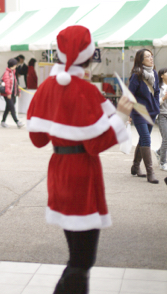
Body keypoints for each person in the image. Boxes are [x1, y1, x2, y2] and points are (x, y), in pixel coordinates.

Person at [27, 25, 133, 294]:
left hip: (58, 171)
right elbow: (95, 143)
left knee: (77, 254)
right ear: (89, 55)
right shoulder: (87, 91)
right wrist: (120, 116)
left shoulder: (47, 87)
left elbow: (38, 140)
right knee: (83, 258)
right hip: (82, 175)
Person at [128, 49, 160, 184]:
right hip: (139, 112)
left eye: (151, 56)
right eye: (147, 57)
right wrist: (129, 114)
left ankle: (135, 167)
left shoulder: (154, 74)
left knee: (143, 139)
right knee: (146, 139)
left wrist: (156, 107)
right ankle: (150, 173)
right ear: (141, 60)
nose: (151, 58)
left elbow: (157, 92)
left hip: (152, 112)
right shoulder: (136, 75)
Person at [0, 59, 24, 128]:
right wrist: (8, 93)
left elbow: (15, 83)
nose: (16, 66)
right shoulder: (7, 73)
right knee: (12, 108)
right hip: (8, 94)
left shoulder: (13, 72)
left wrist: (18, 91)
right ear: (13, 65)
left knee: (8, 107)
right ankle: (17, 122)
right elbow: (7, 84)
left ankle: (3, 121)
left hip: (13, 93)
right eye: (15, 64)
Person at [156, 68, 167, 172]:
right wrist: (164, 98)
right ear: (162, 76)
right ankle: (163, 163)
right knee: (166, 138)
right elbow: (156, 104)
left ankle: (159, 152)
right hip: (162, 115)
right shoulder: (159, 88)